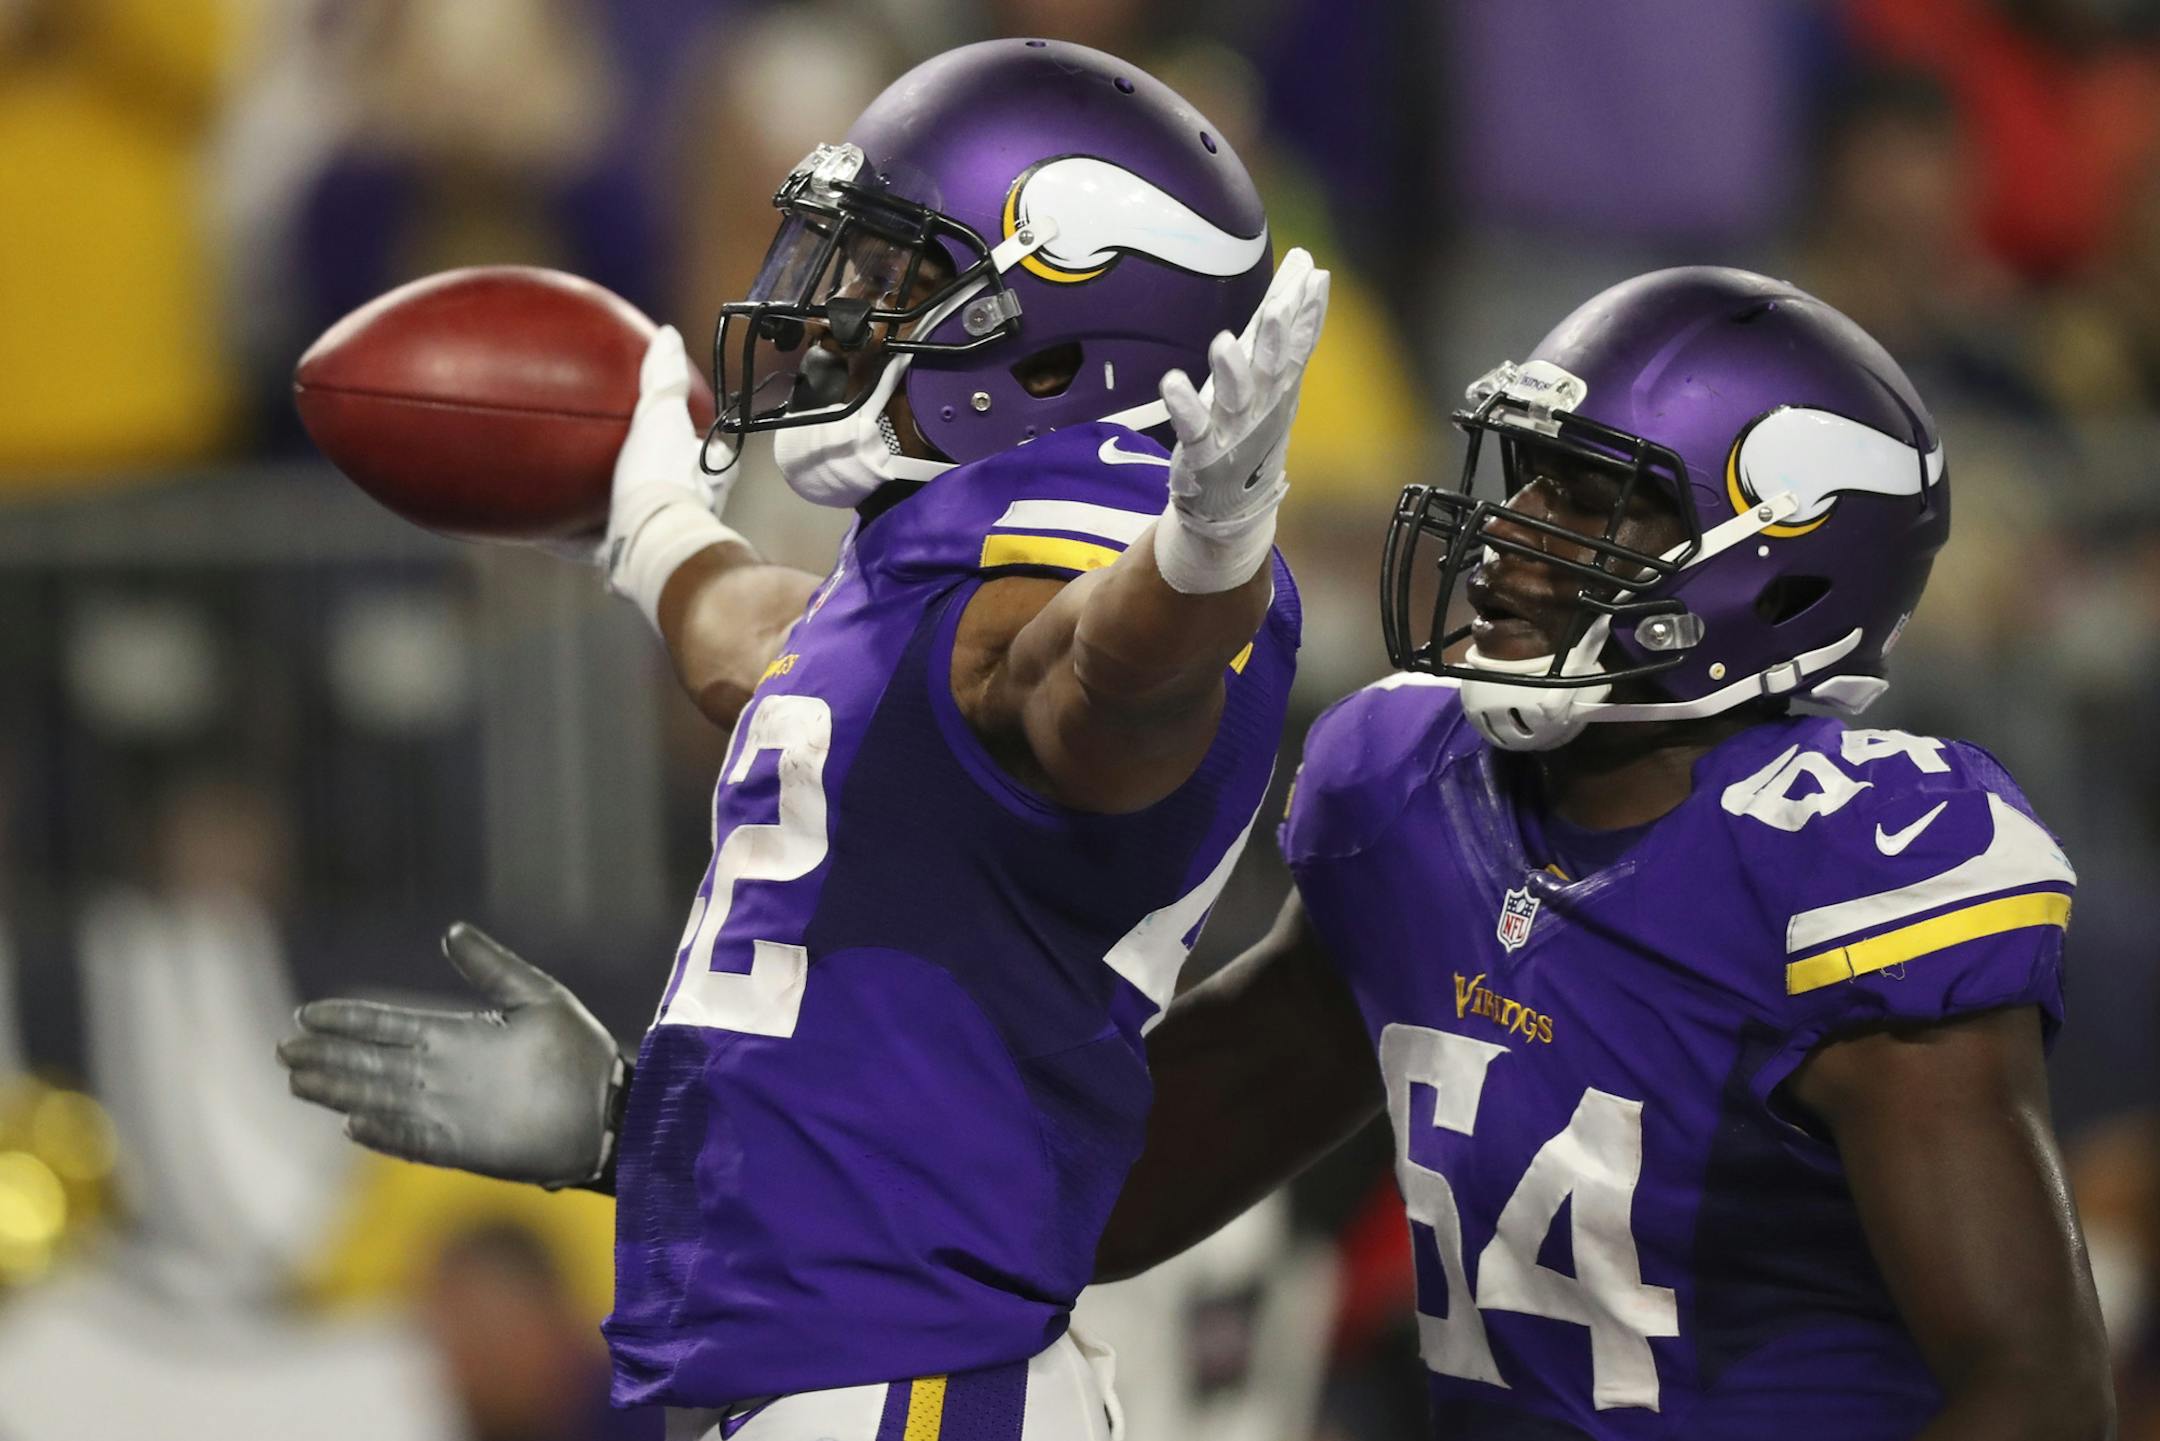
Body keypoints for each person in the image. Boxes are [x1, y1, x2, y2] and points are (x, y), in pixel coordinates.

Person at [278, 39, 1329, 1441]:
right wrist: (650, 527)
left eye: (900, 276)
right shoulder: (930, 557)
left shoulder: (1112, 550)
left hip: (907, 1381)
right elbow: (779, 659)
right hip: (822, 1371)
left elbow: (1098, 686)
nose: (839, 309)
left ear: (1062, 328)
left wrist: (1204, 562)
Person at [1096, 266, 2114, 1438]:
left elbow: (2038, 1393)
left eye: (1588, 501)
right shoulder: (1408, 787)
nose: (1511, 535)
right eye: (1527, 481)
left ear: (1777, 570)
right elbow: (1121, 1184)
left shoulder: (1844, 870)